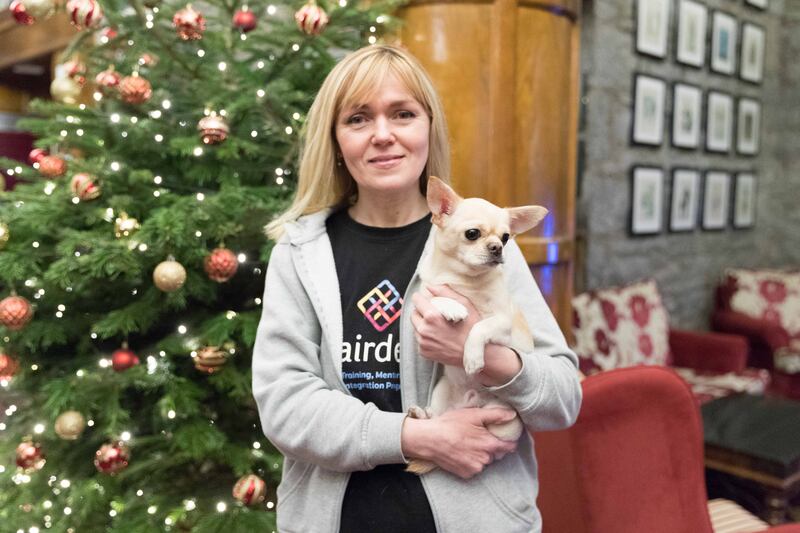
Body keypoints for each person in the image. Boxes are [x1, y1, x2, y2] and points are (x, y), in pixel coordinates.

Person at [252, 44, 582, 533]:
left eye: (403, 114)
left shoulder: (481, 245)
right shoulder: (300, 253)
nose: (383, 135)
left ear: (429, 127)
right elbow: (285, 405)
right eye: (359, 119)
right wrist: (417, 437)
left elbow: (563, 399)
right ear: (336, 139)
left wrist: (491, 359)